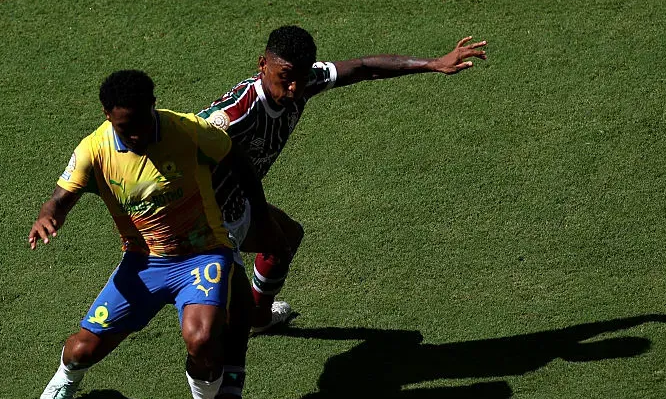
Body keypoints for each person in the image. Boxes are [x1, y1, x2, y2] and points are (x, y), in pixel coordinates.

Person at [28, 69, 273, 399]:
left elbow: (235, 159)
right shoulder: (93, 150)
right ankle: (67, 377)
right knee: (82, 350)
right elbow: (60, 197)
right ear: (107, 114)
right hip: (144, 263)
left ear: (153, 106)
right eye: (128, 128)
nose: (139, 134)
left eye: (143, 121)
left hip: (204, 253)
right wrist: (49, 215)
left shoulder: (187, 130)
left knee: (203, 337)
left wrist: (260, 213)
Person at [198, 27, 487, 333]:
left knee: (285, 237)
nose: (294, 88)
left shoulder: (303, 82)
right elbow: (177, 143)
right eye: (285, 77)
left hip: (237, 202)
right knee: (216, 329)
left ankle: (258, 317)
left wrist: (432, 63)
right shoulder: (236, 113)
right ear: (262, 65)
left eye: (301, 77)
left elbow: (363, 67)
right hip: (204, 218)